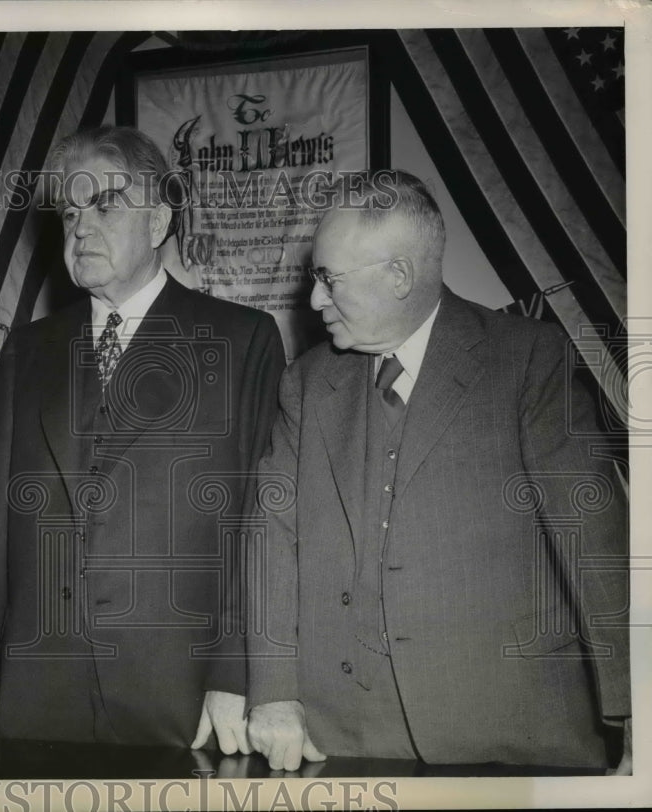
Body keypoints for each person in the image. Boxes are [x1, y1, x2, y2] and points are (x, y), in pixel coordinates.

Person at [247, 170, 630, 771]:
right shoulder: (306, 383)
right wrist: (273, 693)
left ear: (399, 275)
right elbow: (272, 539)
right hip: (343, 737)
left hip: (511, 732)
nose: (315, 299)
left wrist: (633, 714)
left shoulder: (529, 361)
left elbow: (595, 543)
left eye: (327, 278)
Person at [0, 126, 285, 750]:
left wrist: (234, 672)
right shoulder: (28, 349)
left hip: (181, 689)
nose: (81, 227)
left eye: (105, 204)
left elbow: (258, 526)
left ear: (158, 221)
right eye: (70, 211)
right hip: (42, 687)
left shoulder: (242, 339)